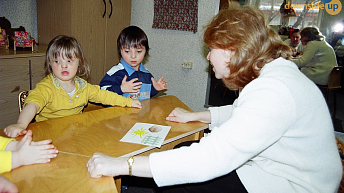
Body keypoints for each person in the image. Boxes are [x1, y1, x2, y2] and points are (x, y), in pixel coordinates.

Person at [86, 3, 342, 193]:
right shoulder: (272, 76)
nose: (208, 58)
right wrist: (198, 115)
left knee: (181, 181)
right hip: (281, 170)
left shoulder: (274, 89)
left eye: (211, 50)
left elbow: (212, 157)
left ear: (233, 49)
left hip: (293, 185)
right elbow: (245, 114)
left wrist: (122, 164)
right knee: (183, 149)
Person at [4, 35, 142, 138]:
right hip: (48, 135)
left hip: (74, 134)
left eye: (69, 60)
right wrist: (21, 124)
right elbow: (32, 105)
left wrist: (128, 102)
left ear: (79, 63)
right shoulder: (46, 87)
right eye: (57, 61)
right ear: (50, 64)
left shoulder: (83, 87)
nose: (64, 65)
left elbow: (104, 95)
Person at [99, 26, 167, 101]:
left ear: (146, 52)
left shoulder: (147, 74)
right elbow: (100, 94)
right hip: (120, 112)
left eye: (138, 51)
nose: (133, 56)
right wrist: (121, 89)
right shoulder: (116, 73)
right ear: (120, 51)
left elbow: (143, 95)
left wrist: (154, 89)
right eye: (127, 51)